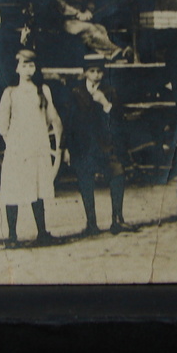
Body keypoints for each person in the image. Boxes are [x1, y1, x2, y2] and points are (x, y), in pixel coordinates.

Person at [0, 50, 63, 247]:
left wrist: (57, 141)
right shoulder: (10, 92)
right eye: (24, 65)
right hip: (17, 148)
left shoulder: (43, 90)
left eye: (31, 65)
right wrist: (12, 142)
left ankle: (42, 232)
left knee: (38, 187)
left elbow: (52, 117)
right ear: (16, 68)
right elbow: (2, 122)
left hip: (38, 145)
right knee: (13, 189)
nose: (28, 70)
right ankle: (11, 236)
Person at [66, 55, 137, 235]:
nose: (96, 75)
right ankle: (91, 223)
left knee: (118, 173)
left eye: (99, 71)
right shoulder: (76, 92)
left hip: (106, 145)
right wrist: (66, 148)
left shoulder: (110, 91)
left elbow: (118, 121)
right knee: (85, 180)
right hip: (84, 146)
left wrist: (105, 104)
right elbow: (70, 122)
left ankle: (117, 220)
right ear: (84, 73)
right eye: (92, 71)